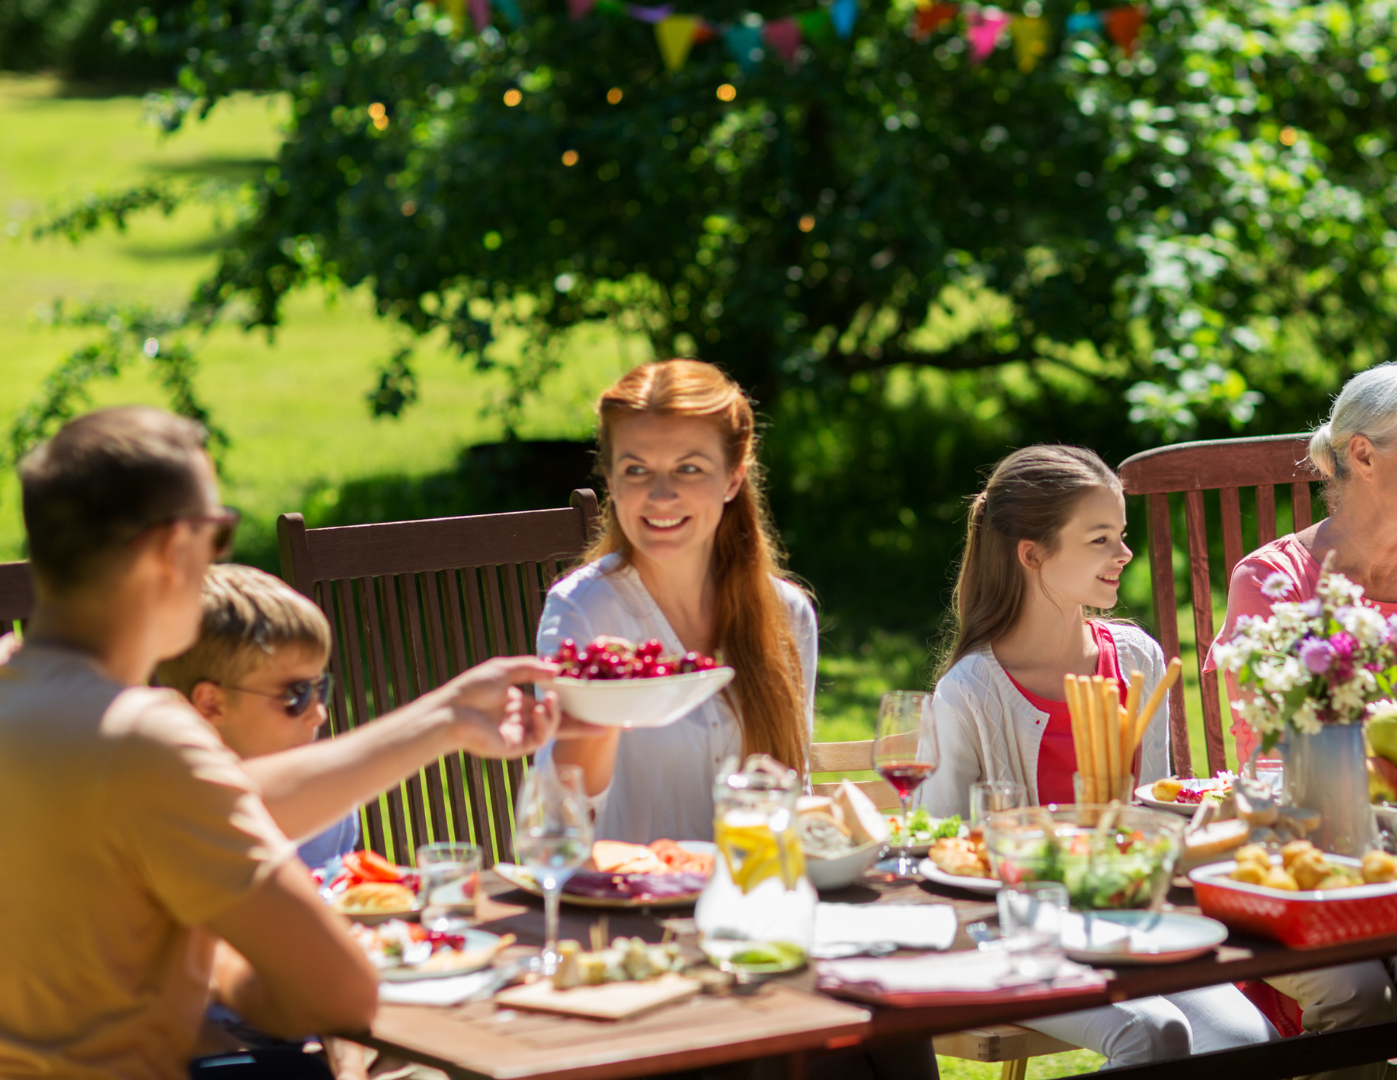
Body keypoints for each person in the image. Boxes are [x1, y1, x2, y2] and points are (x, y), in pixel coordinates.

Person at [0, 406, 558, 1079]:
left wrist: (441, 720)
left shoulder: (34, 700)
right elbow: (340, 991)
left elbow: (211, 802)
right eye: (219, 534)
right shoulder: (145, 740)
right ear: (170, 551)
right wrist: (231, 973)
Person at [923, 445, 1277, 1067]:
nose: (1124, 554)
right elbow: (945, 854)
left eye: (1121, 535)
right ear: (1032, 554)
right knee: (1152, 1032)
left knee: (1245, 1039)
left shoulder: (1136, 660)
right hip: (1014, 937)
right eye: (1099, 539)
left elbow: (1156, 819)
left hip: (1128, 923)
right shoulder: (970, 693)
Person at [1205, 362, 1397, 1080]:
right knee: (1362, 994)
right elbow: (1267, 748)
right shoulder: (1273, 581)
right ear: (1362, 454)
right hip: (1309, 859)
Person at [539, 359, 818, 843]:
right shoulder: (582, 609)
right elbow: (560, 819)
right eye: (636, 469)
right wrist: (601, 701)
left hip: (753, 895)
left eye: (689, 468)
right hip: (628, 903)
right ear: (610, 478)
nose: (661, 494)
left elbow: (793, 793)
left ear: (733, 478)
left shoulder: (787, 613)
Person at [154, 563, 359, 870]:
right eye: (295, 694)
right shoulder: (163, 814)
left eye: (320, 688)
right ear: (211, 705)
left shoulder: (326, 799)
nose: (319, 713)